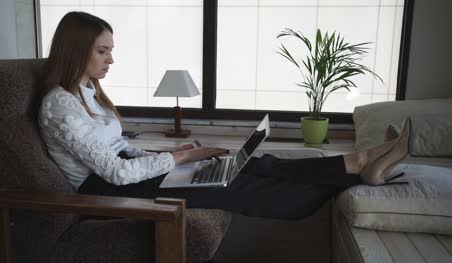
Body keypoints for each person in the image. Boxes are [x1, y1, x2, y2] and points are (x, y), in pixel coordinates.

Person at [38, 11, 409, 220]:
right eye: (103, 51)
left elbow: (120, 149)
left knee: (248, 162)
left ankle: (357, 161)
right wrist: (180, 158)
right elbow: (115, 172)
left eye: (110, 50)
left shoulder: (90, 93)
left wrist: (170, 155)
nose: (111, 60)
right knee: (232, 183)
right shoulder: (59, 105)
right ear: (76, 49)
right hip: (104, 193)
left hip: (126, 178)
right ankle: (352, 173)